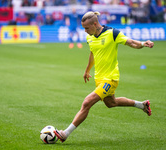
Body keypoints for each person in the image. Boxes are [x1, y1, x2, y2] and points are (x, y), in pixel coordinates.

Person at [54, 11, 154, 143]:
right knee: (111, 103)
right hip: (99, 78)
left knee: (87, 102)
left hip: (111, 79)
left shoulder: (112, 33)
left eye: (87, 28)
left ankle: (65, 134)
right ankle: (142, 105)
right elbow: (93, 53)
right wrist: (87, 70)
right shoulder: (90, 37)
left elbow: (131, 43)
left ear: (95, 24)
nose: (85, 31)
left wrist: (142, 44)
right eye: (83, 28)